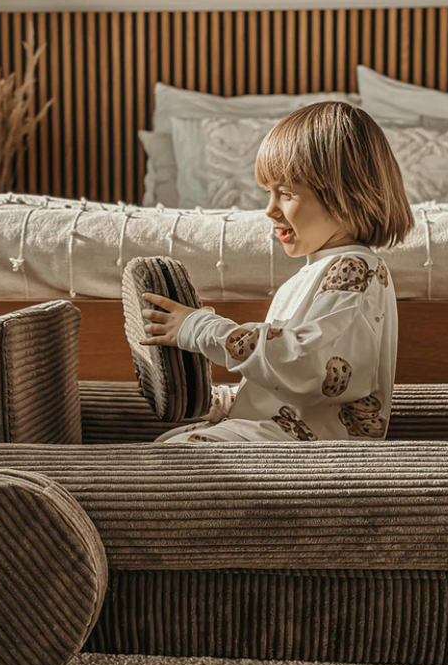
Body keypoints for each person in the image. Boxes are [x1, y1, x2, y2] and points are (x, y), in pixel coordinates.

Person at [140, 101, 413, 443]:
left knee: (177, 455)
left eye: (285, 194)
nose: (269, 210)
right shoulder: (307, 278)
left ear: (347, 195)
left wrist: (205, 330)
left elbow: (308, 367)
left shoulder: (354, 270)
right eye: (267, 193)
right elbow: (281, 385)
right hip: (280, 431)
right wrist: (221, 401)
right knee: (168, 443)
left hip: (310, 448)